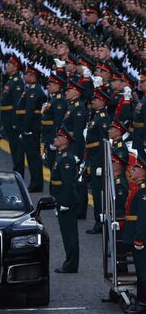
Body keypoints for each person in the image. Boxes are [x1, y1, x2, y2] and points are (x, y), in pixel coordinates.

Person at [51, 126, 79, 273]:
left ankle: (71, 264)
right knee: (66, 233)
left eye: (58, 136)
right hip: (61, 198)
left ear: (64, 140)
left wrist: (65, 203)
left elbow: (68, 183)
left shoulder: (66, 157)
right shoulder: (61, 155)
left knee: (70, 234)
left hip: (65, 200)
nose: (55, 138)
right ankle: (70, 262)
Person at [16, 65, 46, 192]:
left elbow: (29, 111)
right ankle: (35, 182)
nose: (25, 76)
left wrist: (26, 128)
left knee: (33, 157)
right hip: (30, 127)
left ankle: (36, 184)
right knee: (31, 156)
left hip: (32, 128)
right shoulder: (30, 89)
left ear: (33, 76)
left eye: (28, 74)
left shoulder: (35, 91)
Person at [86, 89, 112, 234]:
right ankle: (98, 221)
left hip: (98, 160)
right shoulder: (96, 115)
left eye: (95, 99)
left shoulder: (102, 118)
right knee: (95, 192)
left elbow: (104, 143)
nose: (93, 102)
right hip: (92, 157)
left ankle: (100, 223)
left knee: (98, 193)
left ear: (102, 101)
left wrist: (102, 164)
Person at [123, 154, 146, 314]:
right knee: (140, 270)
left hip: (141, 240)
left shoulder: (142, 192)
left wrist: (139, 239)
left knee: (143, 272)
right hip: (136, 237)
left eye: (136, 168)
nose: (132, 169)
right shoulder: (138, 190)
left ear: (143, 173)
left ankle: (143, 302)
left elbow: (143, 219)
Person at [63, 80, 89, 219]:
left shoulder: (79, 108)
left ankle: (80, 209)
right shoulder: (72, 106)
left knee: (79, 179)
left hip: (75, 148)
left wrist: (77, 153)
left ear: (76, 92)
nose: (66, 92)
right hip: (70, 147)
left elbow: (78, 134)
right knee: (72, 179)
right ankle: (75, 205)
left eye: (69, 90)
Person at [0, 56, 25, 175]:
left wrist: (15, 121)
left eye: (9, 65)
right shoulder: (10, 80)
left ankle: (19, 171)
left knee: (17, 148)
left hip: (12, 118)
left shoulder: (17, 82)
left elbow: (17, 104)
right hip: (7, 117)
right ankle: (16, 169)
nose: (7, 66)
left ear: (15, 68)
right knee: (13, 146)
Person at [42, 74, 68, 169]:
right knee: (50, 163)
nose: (47, 86)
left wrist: (55, 138)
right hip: (48, 135)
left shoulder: (59, 100)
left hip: (52, 136)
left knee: (53, 164)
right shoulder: (54, 98)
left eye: (50, 84)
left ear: (57, 85)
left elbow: (59, 121)